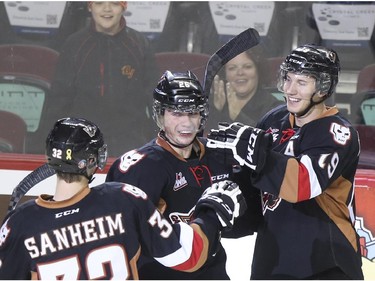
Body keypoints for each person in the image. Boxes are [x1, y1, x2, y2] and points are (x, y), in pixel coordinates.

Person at [0, 117, 247, 280]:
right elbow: (188, 256)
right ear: (96, 159)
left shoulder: (20, 223)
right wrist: (210, 216)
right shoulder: (124, 199)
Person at [206, 44, 364, 279]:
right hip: (273, 260)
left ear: (323, 87)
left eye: (301, 82)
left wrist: (254, 154)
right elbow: (254, 187)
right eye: (287, 79)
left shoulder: (336, 132)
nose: (290, 89)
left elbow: (303, 184)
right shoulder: (274, 119)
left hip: (326, 263)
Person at [106, 70, 248, 279]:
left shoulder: (220, 154)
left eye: (193, 113)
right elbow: (120, 242)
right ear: (160, 115)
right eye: (177, 113)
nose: (187, 123)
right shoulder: (139, 169)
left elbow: (239, 225)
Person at [38, 1, 159, 157]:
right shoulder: (74, 45)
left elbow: (154, 101)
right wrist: (44, 147)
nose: (107, 9)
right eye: (99, 3)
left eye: (114, 3)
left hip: (130, 145)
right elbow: (58, 101)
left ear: (124, 6)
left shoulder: (140, 45)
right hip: (81, 144)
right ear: (90, 6)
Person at [205, 47, 283, 132]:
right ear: (225, 74)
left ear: (258, 71)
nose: (240, 73)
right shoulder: (214, 102)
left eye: (247, 67)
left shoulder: (274, 109)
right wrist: (216, 111)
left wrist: (237, 114)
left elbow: (265, 141)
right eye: (232, 68)